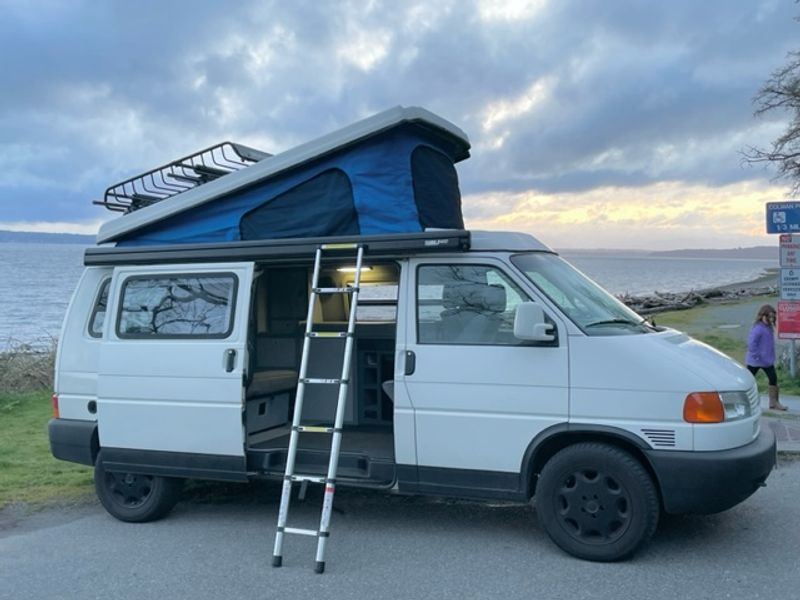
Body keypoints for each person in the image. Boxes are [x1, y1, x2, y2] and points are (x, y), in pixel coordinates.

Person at [745, 304, 787, 411]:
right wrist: (756, 356)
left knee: (773, 379)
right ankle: (744, 403)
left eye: (772, 317)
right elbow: (751, 344)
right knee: (747, 381)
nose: (771, 319)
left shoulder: (768, 327)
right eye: (769, 316)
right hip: (755, 361)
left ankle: (774, 403)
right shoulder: (758, 328)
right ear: (762, 315)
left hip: (767, 361)